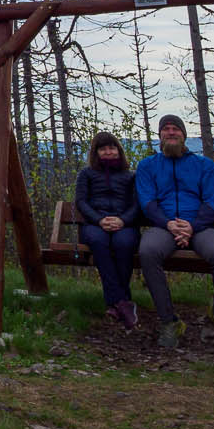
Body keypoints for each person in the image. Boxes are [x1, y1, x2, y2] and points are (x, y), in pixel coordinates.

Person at [135, 113, 214, 349]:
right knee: (148, 252)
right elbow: (147, 202)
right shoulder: (147, 166)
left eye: (175, 129)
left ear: (184, 135)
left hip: (199, 227)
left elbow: (212, 202)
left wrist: (192, 226)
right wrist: (169, 224)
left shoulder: (204, 166)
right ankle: (169, 321)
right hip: (163, 226)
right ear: (159, 135)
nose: (171, 132)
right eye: (166, 129)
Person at [74, 132, 141, 328]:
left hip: (124, 224)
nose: (108, 152)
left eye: (112, 148)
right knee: (98, 242)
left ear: (118, 150)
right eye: (103, 149)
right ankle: (123, 301)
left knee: (124, 243)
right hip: (95, 224)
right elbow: (81, 202)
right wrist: (99, 220)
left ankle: (115, 303)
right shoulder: (86, 174)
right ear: (96, 152)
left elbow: (136, 205)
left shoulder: (130, 176)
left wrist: (122, 220)